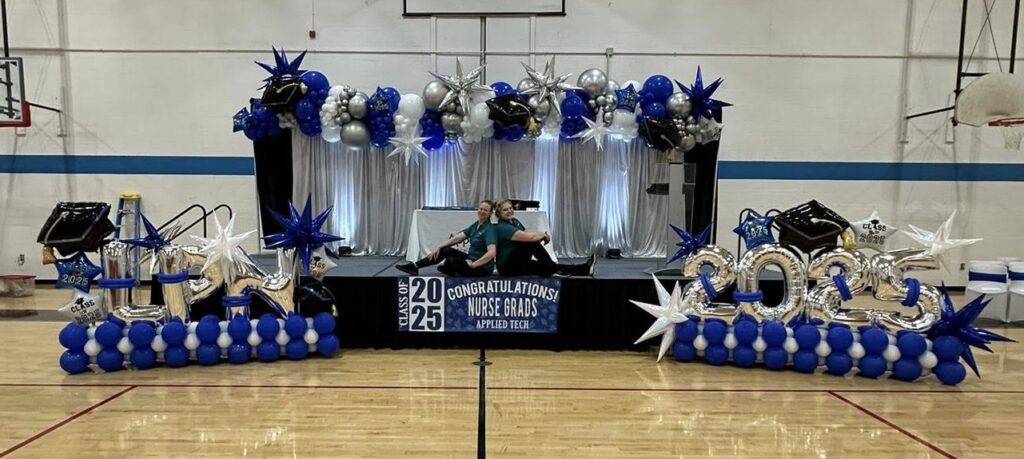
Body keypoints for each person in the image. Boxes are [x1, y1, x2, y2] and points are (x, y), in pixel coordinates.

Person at [493, 199, 595, 277]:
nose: (509, 211)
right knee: (531, 243)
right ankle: (554, 268)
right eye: (505, 210)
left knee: (546, 268)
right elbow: (528, 237)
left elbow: (527, 233)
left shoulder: (514, 221)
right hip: (508, 267)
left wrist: (540, 236)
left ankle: (585, 269)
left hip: (518, 261)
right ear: (499, 213)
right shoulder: (502, 227)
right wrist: (543, 235)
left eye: (510, 208)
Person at [396, 200, 497, 277]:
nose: (482, 211)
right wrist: (439, 246)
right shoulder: (476, 225)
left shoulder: (489, 229)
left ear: (490, 213)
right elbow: (457, 238)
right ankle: (415, 266)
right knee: (445, 250)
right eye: (481, 209)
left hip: (481, 268)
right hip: (470, 259)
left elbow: (492, 253)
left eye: (485, 210)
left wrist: (473, 265)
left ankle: (450, 268)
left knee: (451, 261)